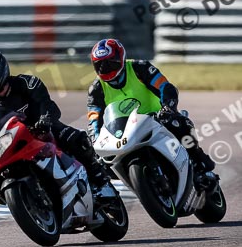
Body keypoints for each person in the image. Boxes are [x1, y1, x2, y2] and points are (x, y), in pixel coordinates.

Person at [0, 49, 110, 193]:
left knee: (77, 139)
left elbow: (45, 104)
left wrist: (44, 120)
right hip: (12, 143)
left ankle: (101, 181)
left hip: (43, 131)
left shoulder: (27, 83)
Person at [86, 38, 216, 185]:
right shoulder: (96, 89)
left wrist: (168, 107)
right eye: (100, 65)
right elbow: (93, 120)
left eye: (111, 62)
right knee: (101, 162)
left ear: (121, 57)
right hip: (124, 133)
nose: (106, 68)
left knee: (179, 123)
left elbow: (165, 87)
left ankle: (200, 162)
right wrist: (94, 140)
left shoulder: (140, 67)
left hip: (156, 118)